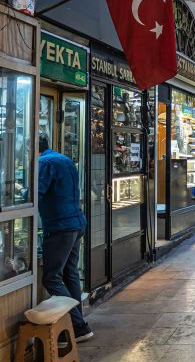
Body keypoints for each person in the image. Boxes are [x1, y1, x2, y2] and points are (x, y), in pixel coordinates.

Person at [38, 135, 92, 343]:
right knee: (70, 275)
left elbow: (36, 192)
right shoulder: (64, 159)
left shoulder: (43, 163)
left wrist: (21, 191)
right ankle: (77, 326)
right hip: (76, 223)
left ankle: (78, 326)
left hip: (60, 226)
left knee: (51, 277)